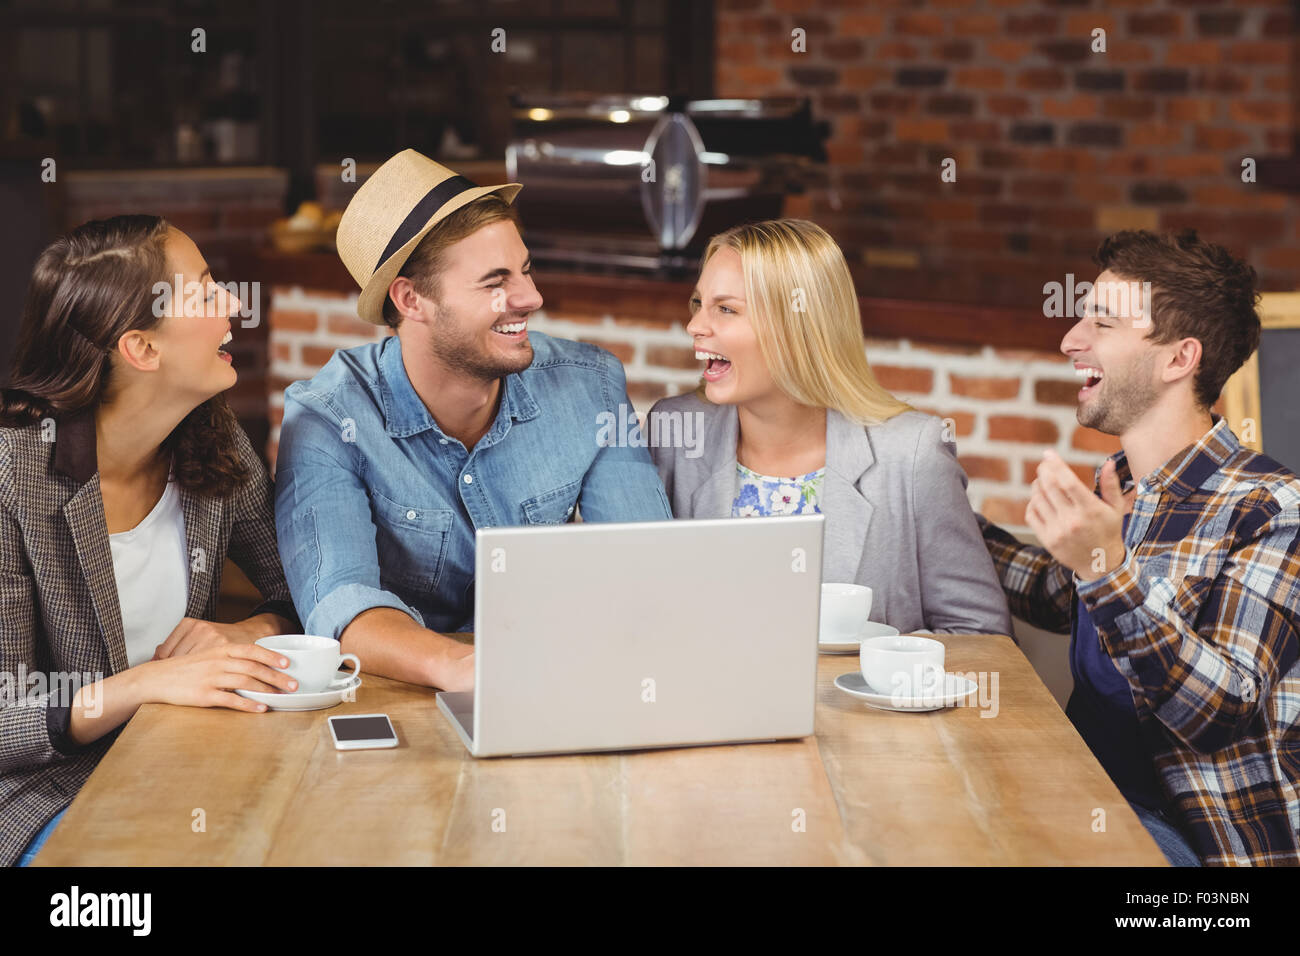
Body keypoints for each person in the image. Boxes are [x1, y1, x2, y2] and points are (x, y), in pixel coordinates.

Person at [274, 150, 671, 693]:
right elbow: (342, 609)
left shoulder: (591, 385)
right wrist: (469, 669)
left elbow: (646, 567)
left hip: (553, 682)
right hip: (400, 703)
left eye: (525, 270)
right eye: (494, 282)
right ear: (412, 299)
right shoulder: (329, 419)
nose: (530, 297)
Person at [979, 229, 1300, 866]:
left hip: (1202, 856)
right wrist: (931, 506)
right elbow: (1050, 591)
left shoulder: (1272, 510)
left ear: (1179, 359)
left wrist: (1107, 570)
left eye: (1101, 321)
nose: (1071, 339)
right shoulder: (1124, 487)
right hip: (1085, 802)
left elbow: (1220, 710)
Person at [0, 215, 301, 867]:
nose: (232, 305)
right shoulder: (14, 479)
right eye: (204, 292)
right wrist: (147, 684)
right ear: (140, 349)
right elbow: (5, 715)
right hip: (45, 796)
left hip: (185, 764)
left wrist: (246, 631)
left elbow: (301, 590)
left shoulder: (214, 443)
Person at [648, 219, 1011, 636]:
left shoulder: (912, 455)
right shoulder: (674, 433)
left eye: (726, 309)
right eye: (698, 303)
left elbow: (982, 636)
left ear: (797, 326)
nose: (695, 325)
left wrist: (879, 672)